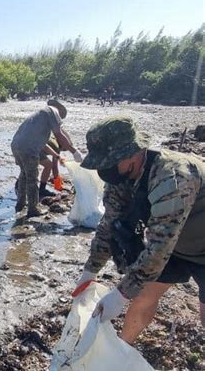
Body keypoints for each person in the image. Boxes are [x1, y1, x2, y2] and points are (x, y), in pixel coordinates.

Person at [73, 116, 205, 343]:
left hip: (194, 244)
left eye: (109, 162)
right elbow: (108, 225)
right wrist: (90, 271)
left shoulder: (172, 177)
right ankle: (122, 351)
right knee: (144, 295)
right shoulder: (121, 177)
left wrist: (121, 294)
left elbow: (159, 245)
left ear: (133, 153)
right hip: (176, 245)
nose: (104, 170)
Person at [11, 98, 83, 217]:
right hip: (28, 149)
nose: (59, 121)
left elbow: (41, 142)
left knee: (24, 174)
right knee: (32, 179)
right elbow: (59, 134)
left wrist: (55, 155)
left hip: (16, 145)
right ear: (59, 111)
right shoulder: (52, 111)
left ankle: (20, 204)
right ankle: (33, 209)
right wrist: (74, 151)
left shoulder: (41, 115)